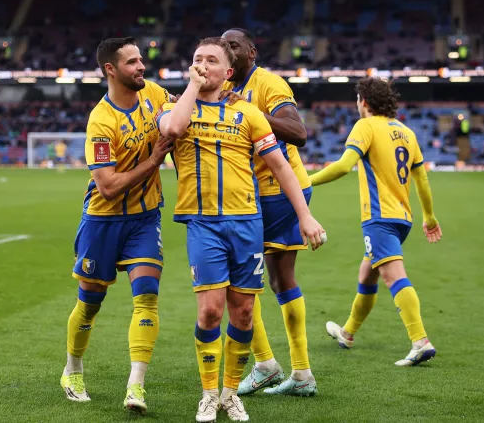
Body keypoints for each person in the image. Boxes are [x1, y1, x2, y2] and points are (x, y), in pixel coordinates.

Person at [157, 37, 325, 422]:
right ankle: (208, 393)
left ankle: (230, 393)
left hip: (248, 221)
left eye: (211, 61)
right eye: (197, 59)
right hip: (203, 223)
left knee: (244, 312)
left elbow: (281, 165)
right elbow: (175, 128)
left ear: (228, 72)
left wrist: (305, 216)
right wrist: (193, 86)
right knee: (210, 313)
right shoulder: (175, 107)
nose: (203, 65)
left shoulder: (247, 113)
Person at [62, 37, 174, 414]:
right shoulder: (101, 121)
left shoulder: (153, 93)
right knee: (90, 303)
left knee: (147, 296)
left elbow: (181, 110)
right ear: (111, 69)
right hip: (103, 221)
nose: (141, 66)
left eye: (141, 59)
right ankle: (72, 370)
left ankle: (135, 386)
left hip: (145, 217)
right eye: (132, 62)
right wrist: (154, 160)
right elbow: (108, 187)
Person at [310, 77, 441, 366]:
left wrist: (305, 181)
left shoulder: (366, 126)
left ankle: (420, 341)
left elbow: (344, 165)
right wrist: (429, 216)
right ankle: (347, 333)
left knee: (393, 276)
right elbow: (421, 179)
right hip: (403, 219)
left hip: (379, 218)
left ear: (364, 101)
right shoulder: (407, 132)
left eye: (358, 99)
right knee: (367, 274)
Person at [221, 27, 317, 397]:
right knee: (278, 280)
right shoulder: (226, 88)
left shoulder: (268, 84)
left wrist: (249, 112)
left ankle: (266, 364)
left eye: (234, 45)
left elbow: (297, 131)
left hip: (278, 193)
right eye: (223, 45)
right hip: (262, 192)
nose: (228, 49)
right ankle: (300, 373)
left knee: (239, 280)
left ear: (252, 52)